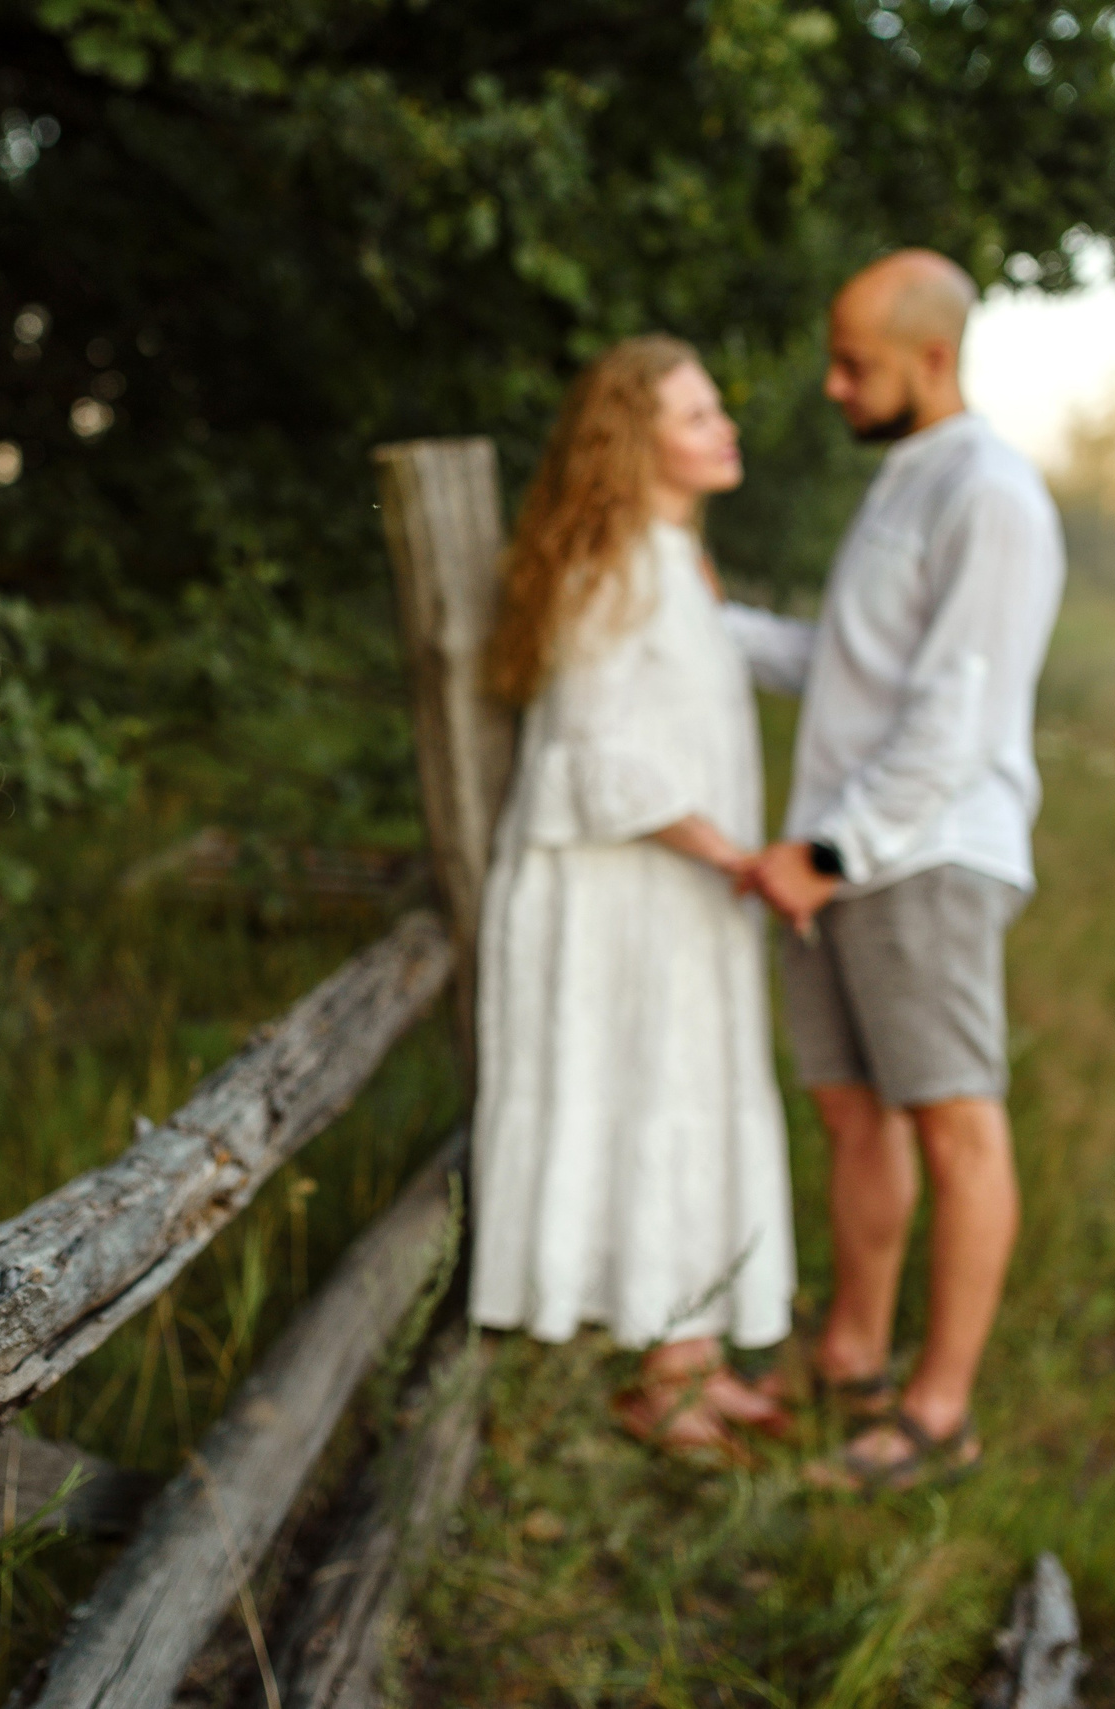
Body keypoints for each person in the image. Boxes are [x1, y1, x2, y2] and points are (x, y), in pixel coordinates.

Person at [723, 250, 1065, 1491]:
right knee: (851, 1113)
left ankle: (936, 1413)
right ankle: (851, 1356)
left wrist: (827, 852)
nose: (831, 384)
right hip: (851, 858)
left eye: (854, 362)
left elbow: (958, 711)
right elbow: (851, 662)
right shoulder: (906, 483)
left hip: (919, 857)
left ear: (932, 357)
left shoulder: (988, 490)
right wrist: (698, 620)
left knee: (955, 1121)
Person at [469, 334, 796, 1456]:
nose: (725, 429)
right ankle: (662, 1376)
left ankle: (691, 1354)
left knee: (692, 1097)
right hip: (614, 887)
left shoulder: (673, 558)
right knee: (652, 1100)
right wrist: (736, 858)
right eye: (698, 415)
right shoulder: (606, 561)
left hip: (675, 885)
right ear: (634, 439)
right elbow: (598, 759)